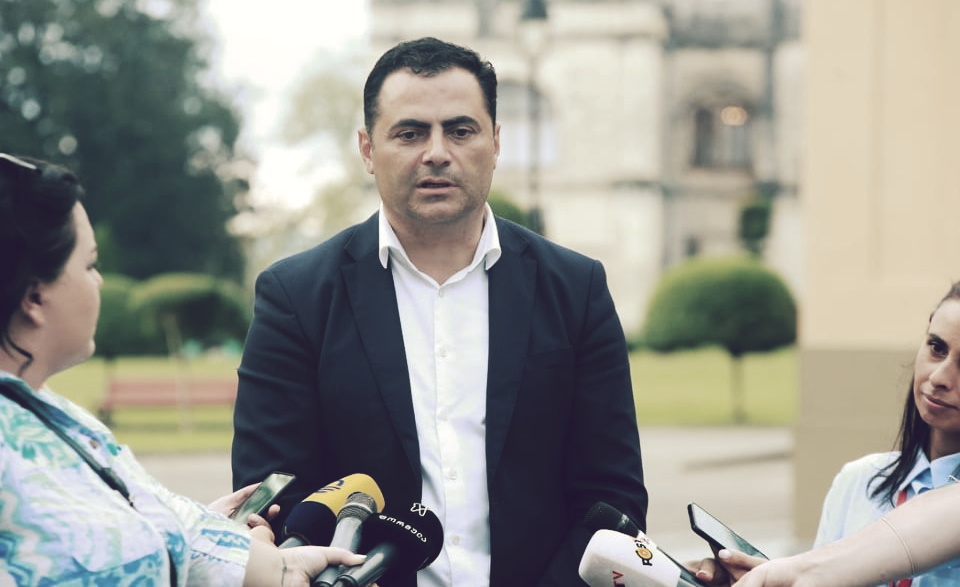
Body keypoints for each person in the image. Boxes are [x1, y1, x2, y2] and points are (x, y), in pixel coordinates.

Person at [231, 36, 648, 586]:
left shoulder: (575, 288)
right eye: (409, 133)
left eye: (460, 130)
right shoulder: (297, 296)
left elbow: (613, 498)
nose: (436, 152)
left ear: (495, 143)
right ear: (367, 149)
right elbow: (273, 501)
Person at [0, 152, 363, 586]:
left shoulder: (54, 414)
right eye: (90, 265)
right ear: (35, 298)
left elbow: (119, 523)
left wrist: (259, 558)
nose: (99, 281)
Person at [693, 283, 960, 587]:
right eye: (936, 348)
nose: (939, 377)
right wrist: (770, 580)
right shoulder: (860, 480)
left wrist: (795, 573)